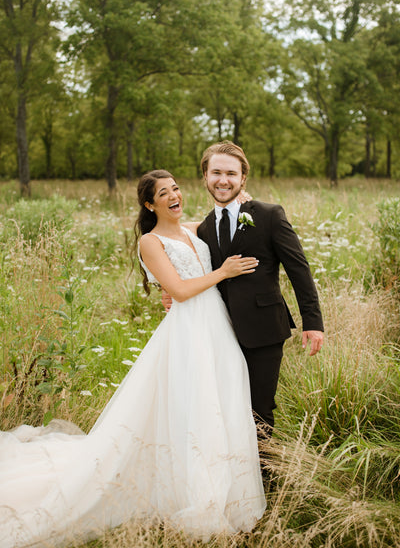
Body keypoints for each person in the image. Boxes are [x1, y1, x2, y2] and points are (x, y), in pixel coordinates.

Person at [0, 169, 266, 548]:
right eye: (164, 193)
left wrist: (236, 191)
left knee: (220, 404)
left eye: (176, 189)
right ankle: (198, 498)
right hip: (188, 333)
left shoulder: (193, 229)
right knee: (196, 408)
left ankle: (225, 492)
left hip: (218, 329)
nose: (174, 196)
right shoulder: (150, 241)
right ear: (149, 203)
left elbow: (229, 209)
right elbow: (177, 289)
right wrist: (222, 272)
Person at [165, 142, 324, 433]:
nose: (223, 180)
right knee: (223, 408)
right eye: (216, 172)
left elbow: (298, 270)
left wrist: (312, 323)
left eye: (230, 173)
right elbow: (196, 267)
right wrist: (170, 289)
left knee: (259, 411)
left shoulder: (268, 214)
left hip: (263, 330)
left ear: (242, 178)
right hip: (217, 331)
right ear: (205, 176)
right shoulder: (202, 228)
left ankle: (265, 477)